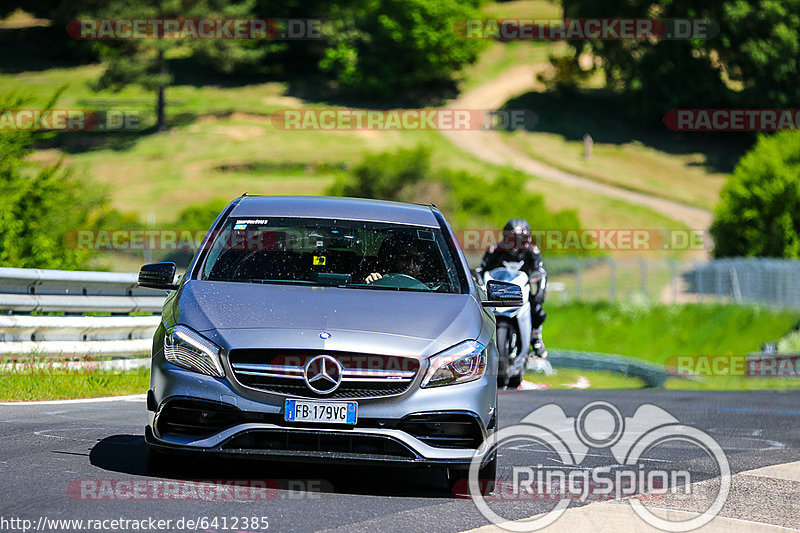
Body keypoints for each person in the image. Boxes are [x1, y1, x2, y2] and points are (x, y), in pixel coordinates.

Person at [477, 219, 548, 358]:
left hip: (522, 290)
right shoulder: (495, 249)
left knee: (537, 310)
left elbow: (541, 271)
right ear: (505, 237)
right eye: (512, 239)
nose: (516, 245)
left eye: (520, 240)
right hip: (497, 291)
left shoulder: (532, 251)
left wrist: (541, 291)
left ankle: (536, 336)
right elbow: (482, 270)